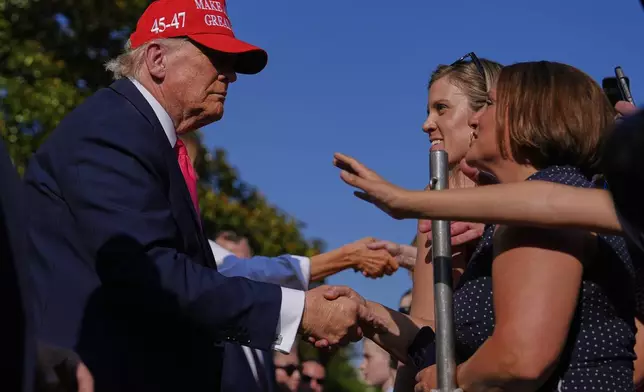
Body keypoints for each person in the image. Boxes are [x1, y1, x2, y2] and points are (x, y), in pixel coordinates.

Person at [22, 1, 376, 391]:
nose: (230, 76)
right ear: (157, 59)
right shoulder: (113, 132)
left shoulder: (136, 135)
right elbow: (152, 274)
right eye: (216, 58)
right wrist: (297, 310)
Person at [333, 61, 638, 391]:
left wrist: (452, 379)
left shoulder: (542, 211)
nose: (477, 117)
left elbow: (517, 358)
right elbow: (448, 341)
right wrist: (368, 312)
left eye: (489, 104)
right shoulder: (532, 210)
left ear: (529, 116)